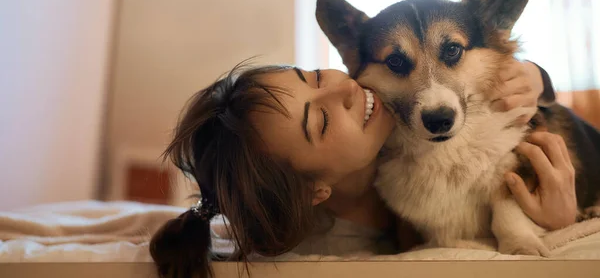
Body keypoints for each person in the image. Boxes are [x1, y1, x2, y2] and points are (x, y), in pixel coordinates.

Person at [149, 59, 578, 278]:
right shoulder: (338, 253)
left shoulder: (393, 122)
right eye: (322, 121)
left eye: (315, 76)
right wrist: (557, 223)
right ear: (315, 191)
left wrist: (533, 78)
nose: (344, 87)